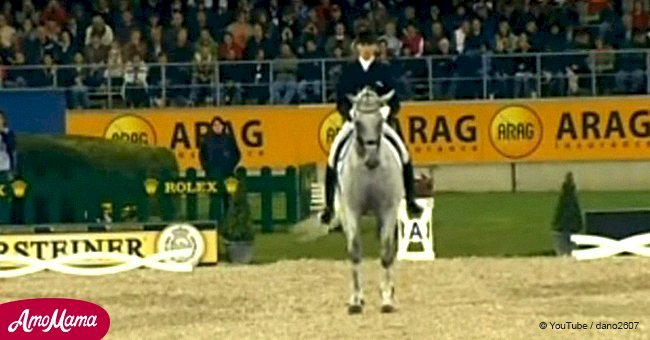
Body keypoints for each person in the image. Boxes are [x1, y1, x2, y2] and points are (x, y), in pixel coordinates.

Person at [319, 31, 423, 225]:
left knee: (404, 153)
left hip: (380, 123)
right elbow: (340, 99)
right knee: (333, 156)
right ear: (357, 47)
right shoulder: (349, 71)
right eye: (363, 45)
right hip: (354, 123)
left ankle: (410, 200)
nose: (366, 49)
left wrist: (386, 112)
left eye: (370, 45)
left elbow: (395, 100)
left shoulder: (383, 70)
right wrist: (349, 114)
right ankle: (328, 207)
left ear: (375, 47)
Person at [0, 110, 17, 181]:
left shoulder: (8, 133)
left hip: (6, 168)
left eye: (0, 118)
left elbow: (12, 150)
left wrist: (12, 169)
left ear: (4, 120)